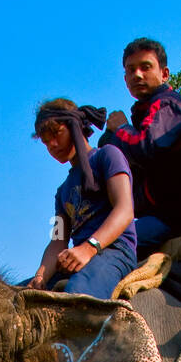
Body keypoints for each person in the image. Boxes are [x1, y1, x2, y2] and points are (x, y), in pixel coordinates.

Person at [97, 37, 181, 258]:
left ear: (165, 74)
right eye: (131, 70)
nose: (137, 75)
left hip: (175, 216)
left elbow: (148, 147)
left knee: (106, 242)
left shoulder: (168, 103)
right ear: (125, 79)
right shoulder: (144, 111)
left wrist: (121, 128)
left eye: (145, 67)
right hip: (153, 214)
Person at [30, 99, 136, 299]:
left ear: (75, 127)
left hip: (114, 251)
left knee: (76, 295)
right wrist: (40, 276)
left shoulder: (108, 156)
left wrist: (89, 248)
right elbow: (58, 240)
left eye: (56, 134)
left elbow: (125, 210)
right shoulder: (62, 192)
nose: (52, 145)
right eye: (45, 141)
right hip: (80, 255)